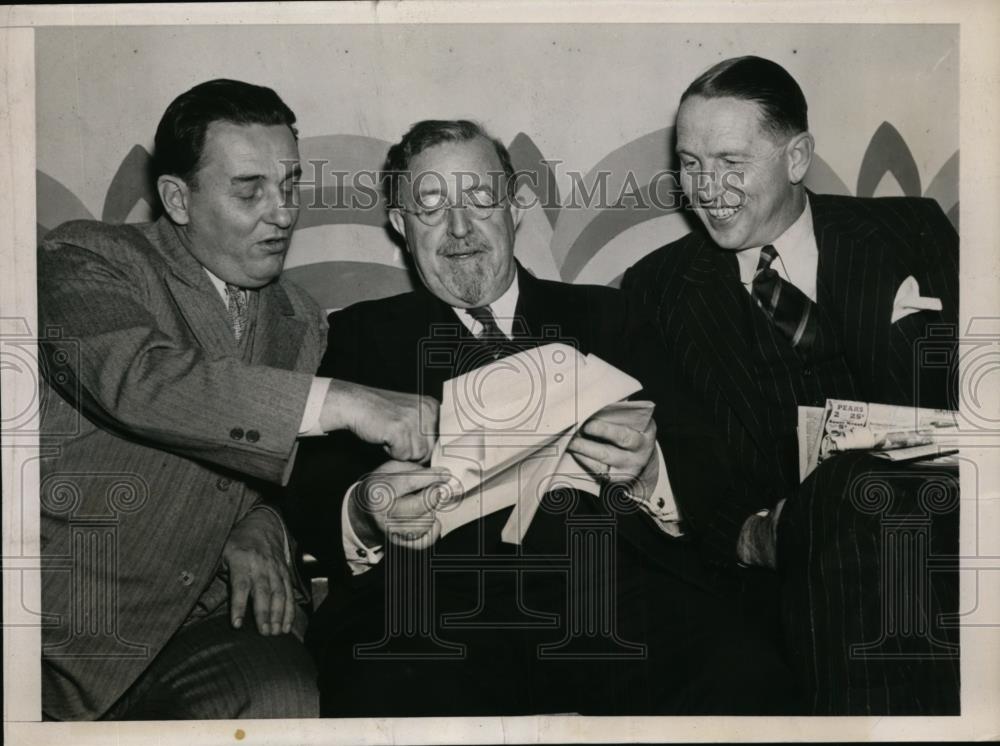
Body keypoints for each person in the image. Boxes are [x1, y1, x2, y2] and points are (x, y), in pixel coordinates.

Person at [289, 119, 797, 717]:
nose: (459, 228)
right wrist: (366, 510)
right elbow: (310, 487)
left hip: (618, 597)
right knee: (388, 693)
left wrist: (650, 471)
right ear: (400, 227)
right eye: (430, 206)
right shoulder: (354, 335)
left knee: (746, 672)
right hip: (430, 614)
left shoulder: (612, 316)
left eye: (480, 198)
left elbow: (710, 464)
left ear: (515, 206)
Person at [37, 78, 436, 721]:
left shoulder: (304, 320)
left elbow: (300, 475)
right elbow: (139, 380)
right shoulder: (86, 257)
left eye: (290, 185)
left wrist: (262, 521)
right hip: (58, 632)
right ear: (178, 198)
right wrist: (346, 399)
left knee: (286, 697)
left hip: (208, 622)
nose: (282, 212)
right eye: (249, 190)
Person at [622, 55, 960, 714]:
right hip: (791, 575)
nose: (706, 188)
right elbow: (681, 464)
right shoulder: (658, 290)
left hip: (948, 532)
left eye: (729, 161)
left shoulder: (911, 232)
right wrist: (750, 538)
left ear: (797, 157)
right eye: (690, 164)